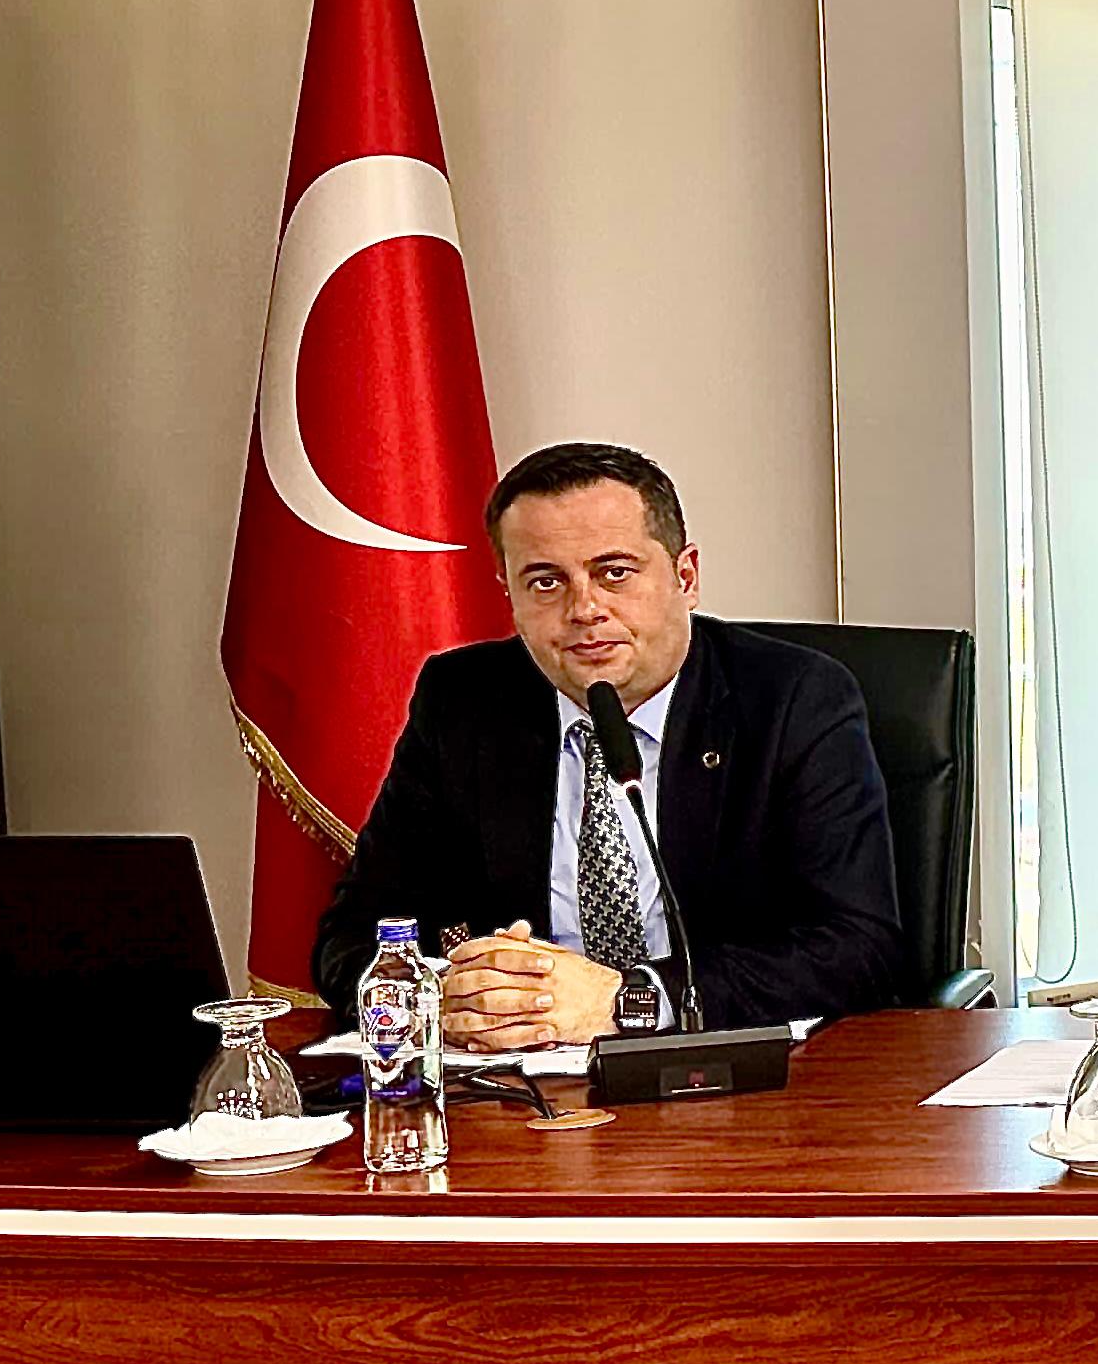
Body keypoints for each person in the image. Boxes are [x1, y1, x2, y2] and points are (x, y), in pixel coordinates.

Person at [313, 440, 903, 1045]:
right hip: (518, 1079)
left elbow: (859, 948)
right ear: (509, 595)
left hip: (725, 1073)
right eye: (546, 582)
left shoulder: (793, 699)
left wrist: (632, 999)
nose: (584, 609)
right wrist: (446, 992)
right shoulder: (462, 701)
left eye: (614, 573)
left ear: (685, 577)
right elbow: (352, 934)